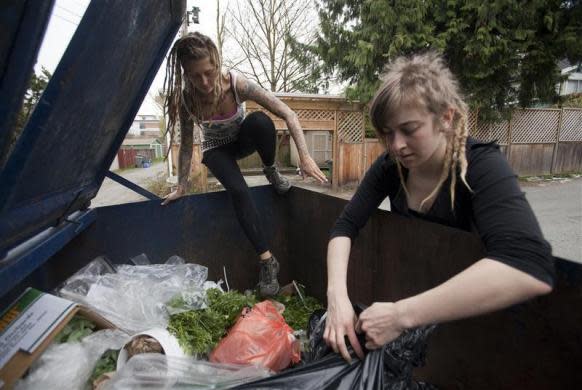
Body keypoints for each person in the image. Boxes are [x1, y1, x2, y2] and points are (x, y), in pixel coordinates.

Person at [323, 52, 555, 362]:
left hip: (474, 330)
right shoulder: (391, 167)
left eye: (409, 129)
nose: (396, 145)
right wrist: (337, 297)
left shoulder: (480, 166)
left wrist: (401, 316)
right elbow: (344, 227)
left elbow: (528, 266)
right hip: (417, 329)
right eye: (388, 133)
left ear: (445, 117)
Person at [161, 32, 327, 297]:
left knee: (261, 121)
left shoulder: (237, 84)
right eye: (195, 76)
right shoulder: (187, 100)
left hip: (242, 139)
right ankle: (267, 261)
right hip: (216, 150)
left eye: (209, 72)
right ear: (186, 74)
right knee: (239, 191)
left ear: (216, 62)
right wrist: (182, 186)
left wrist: (305, 157)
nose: (204, 82)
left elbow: (288, 113)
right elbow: (186, 145)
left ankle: (271, 169)